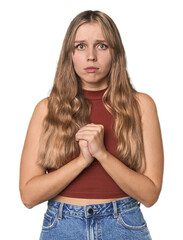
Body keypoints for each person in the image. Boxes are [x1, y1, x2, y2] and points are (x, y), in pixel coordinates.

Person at [19, 10, 164, 240]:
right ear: (70, 54)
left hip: (124, 225)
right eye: (80, 46)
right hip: (62, 226)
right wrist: (81, 162)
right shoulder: (47, 109)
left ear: (115, 52)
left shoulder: (141, 106)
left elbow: (150, 194)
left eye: (102, 46)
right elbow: (28, 196)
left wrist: (103, 155)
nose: (91, 56)